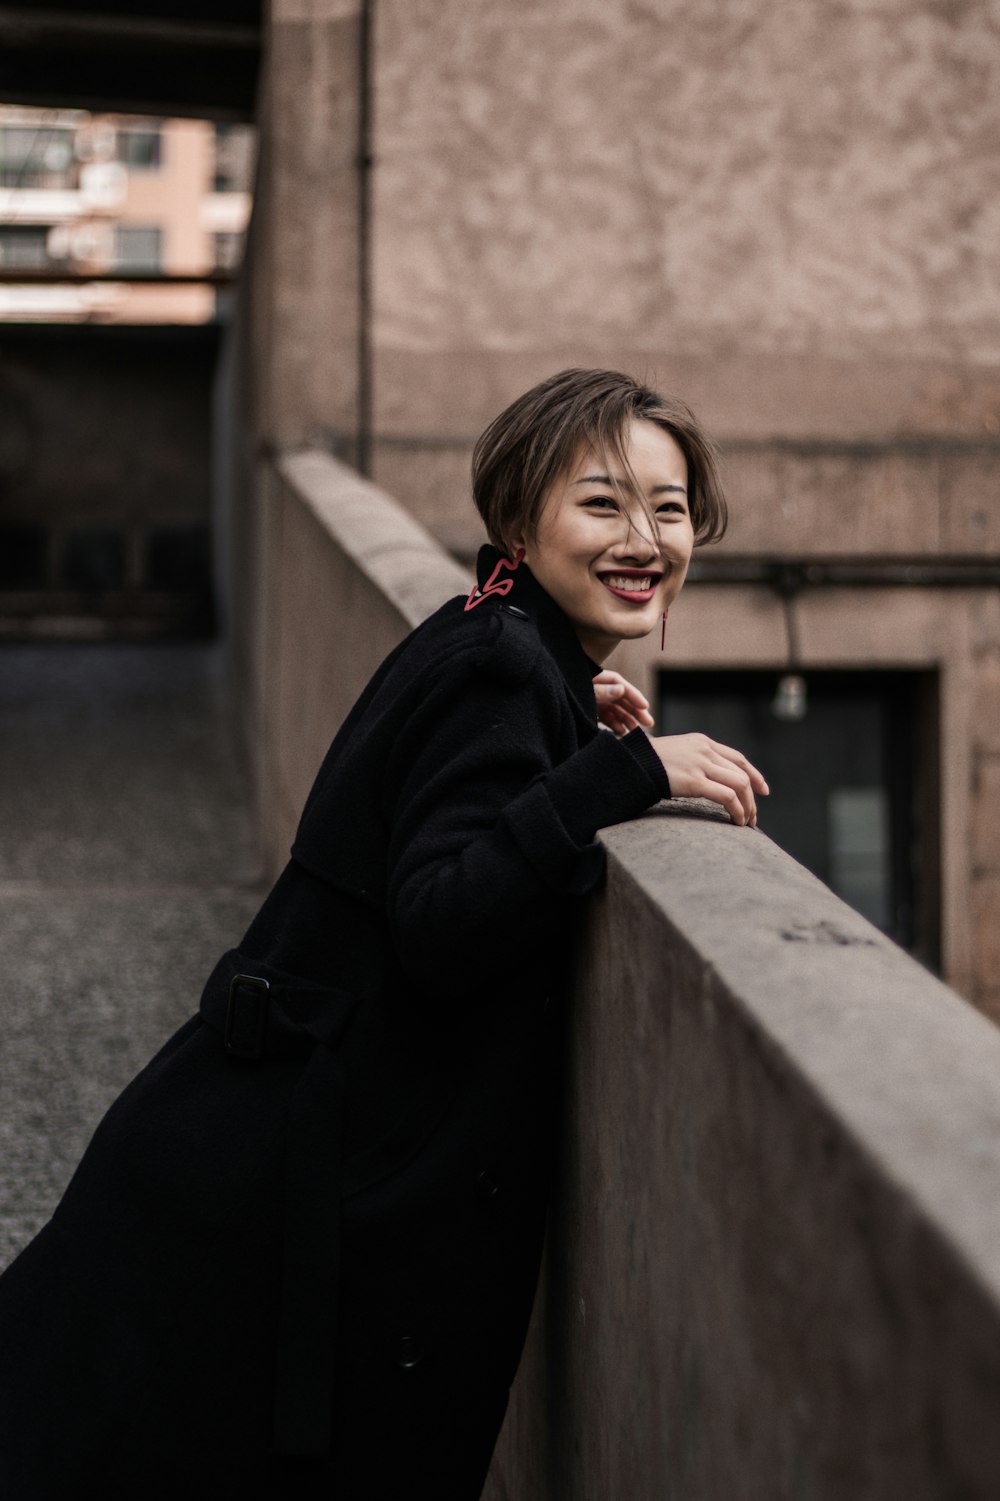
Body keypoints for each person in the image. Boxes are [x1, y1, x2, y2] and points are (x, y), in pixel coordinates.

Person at [0, 367, 766, 1500]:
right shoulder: (501, 666)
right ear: (518, 519)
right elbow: (441, 918)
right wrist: (619, 767)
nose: (644, 537)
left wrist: (568, 702)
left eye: (667, 507)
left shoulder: (495, 636)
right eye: (602, 503)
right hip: (276, 1199)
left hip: (243, 1151)